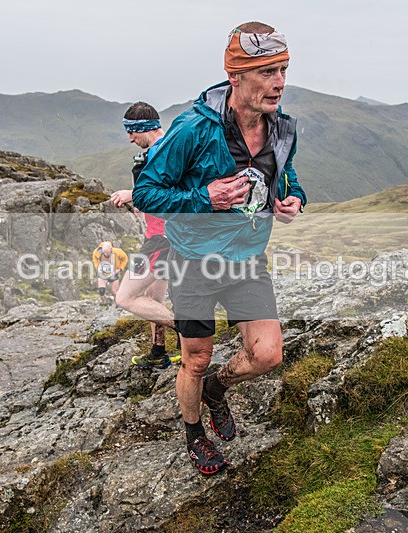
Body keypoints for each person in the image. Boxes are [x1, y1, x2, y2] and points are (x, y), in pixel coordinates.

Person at [132, 21, 306, 475]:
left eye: (283, 70)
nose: (280, 83)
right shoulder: (192, 128)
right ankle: (194, 432)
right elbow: (147, 192)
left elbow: (284, 175)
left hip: (248, 260)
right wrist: (202, 199)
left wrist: (292, 198)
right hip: (193, 263)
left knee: (267, 354)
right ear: (235, 77)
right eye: (267, 72)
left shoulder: (281, 127)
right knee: (195, 358)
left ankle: (217, 389)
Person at [109, 102, 180, 368]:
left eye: (132, 132)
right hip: (159, 235)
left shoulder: (163, 153)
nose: (129, 139)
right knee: (153, 298)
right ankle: (158, 352)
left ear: (144, 128)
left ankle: (188, 330)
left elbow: (169, 195)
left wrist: (134, 195)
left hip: (161, 238)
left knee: (125, 297)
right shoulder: (160, 150)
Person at [91, 241, 128, 306]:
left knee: (114, 291)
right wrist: (97, 267)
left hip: (114, 272)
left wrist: (120, 269)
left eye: (107, 253)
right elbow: (94, 259)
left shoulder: (118, 252)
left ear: (111, 249)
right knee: (101, 291)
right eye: (104, 252)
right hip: (103, 271)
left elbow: (125, 259)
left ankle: (118, 304)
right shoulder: (97, 252)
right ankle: (104, 302)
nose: (106, 254)